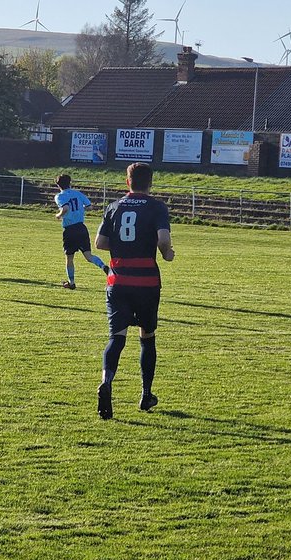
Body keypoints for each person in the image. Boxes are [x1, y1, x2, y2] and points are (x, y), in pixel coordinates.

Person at [94, 162, 174, 420]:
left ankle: (107, 381)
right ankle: (146, 394)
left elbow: (100, 242)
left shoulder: (114, 207)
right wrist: (166, 253)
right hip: (146, 283)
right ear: (151, 182)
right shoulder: (157, 207)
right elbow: (163, 239)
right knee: (147, 337)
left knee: (116, 337)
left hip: (117, 281)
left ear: (127, 182)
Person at [54, 174, 109, 289]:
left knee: (69, 258)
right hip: (81, 228)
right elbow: (89, 207)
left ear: (58, 185)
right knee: (89, 256)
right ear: (70, 183)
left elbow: (65, 208)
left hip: (70, 230)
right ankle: (104, 267)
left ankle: (72, 282)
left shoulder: (59, 196)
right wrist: (79, 209)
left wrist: (59, 215)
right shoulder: (78, 194)